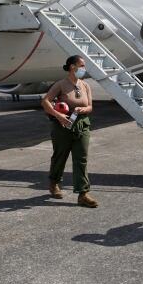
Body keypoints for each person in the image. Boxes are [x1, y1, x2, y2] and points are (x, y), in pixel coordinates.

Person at [41, 55, 98, 208]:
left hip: (82, 124)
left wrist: (83, 109)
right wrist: (58, 115)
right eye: (82, 65)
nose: (84, 69)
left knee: (81, 159)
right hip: (63, 126)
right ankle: (54, 183)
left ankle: (83, 194)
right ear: (72, 67)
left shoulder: (85, 85)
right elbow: (45, 101)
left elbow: (90, 106)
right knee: (60, 156)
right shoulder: (60, 84)